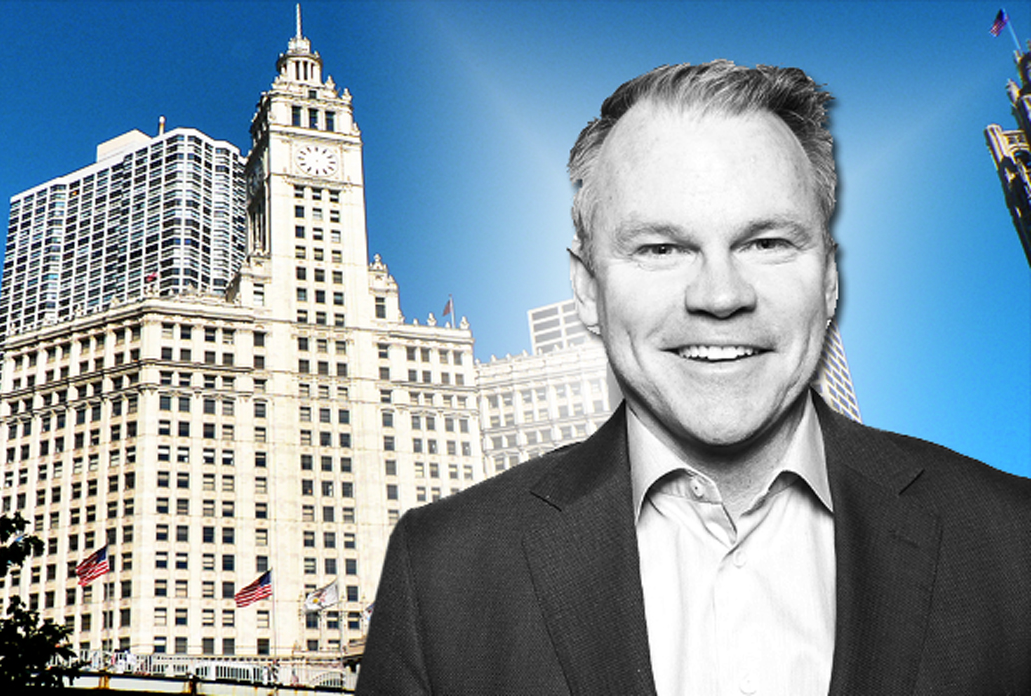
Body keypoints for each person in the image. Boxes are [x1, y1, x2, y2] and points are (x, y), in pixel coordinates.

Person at [356, 61, 1031, 695]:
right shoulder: (441, 572)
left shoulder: (1013, 542)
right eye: (661, 248)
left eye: (766, 243)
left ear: (828, 279)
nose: (718, 294)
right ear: (589, 289)